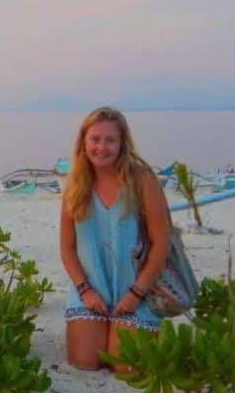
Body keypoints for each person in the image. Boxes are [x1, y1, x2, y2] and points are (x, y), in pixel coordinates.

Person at [59, 107, 171, 370]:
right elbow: (67, 247)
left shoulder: (142, 180)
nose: (101, 147)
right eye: (95, 139)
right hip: (90, 290)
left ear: (122, 143)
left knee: (126, 367)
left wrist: (136, 292)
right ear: (84, 142)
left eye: (110, 140)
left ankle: (125, 326)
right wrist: (85, 290)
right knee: (85, 362)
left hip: (137, 290)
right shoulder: (76, 184)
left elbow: (161, 243)